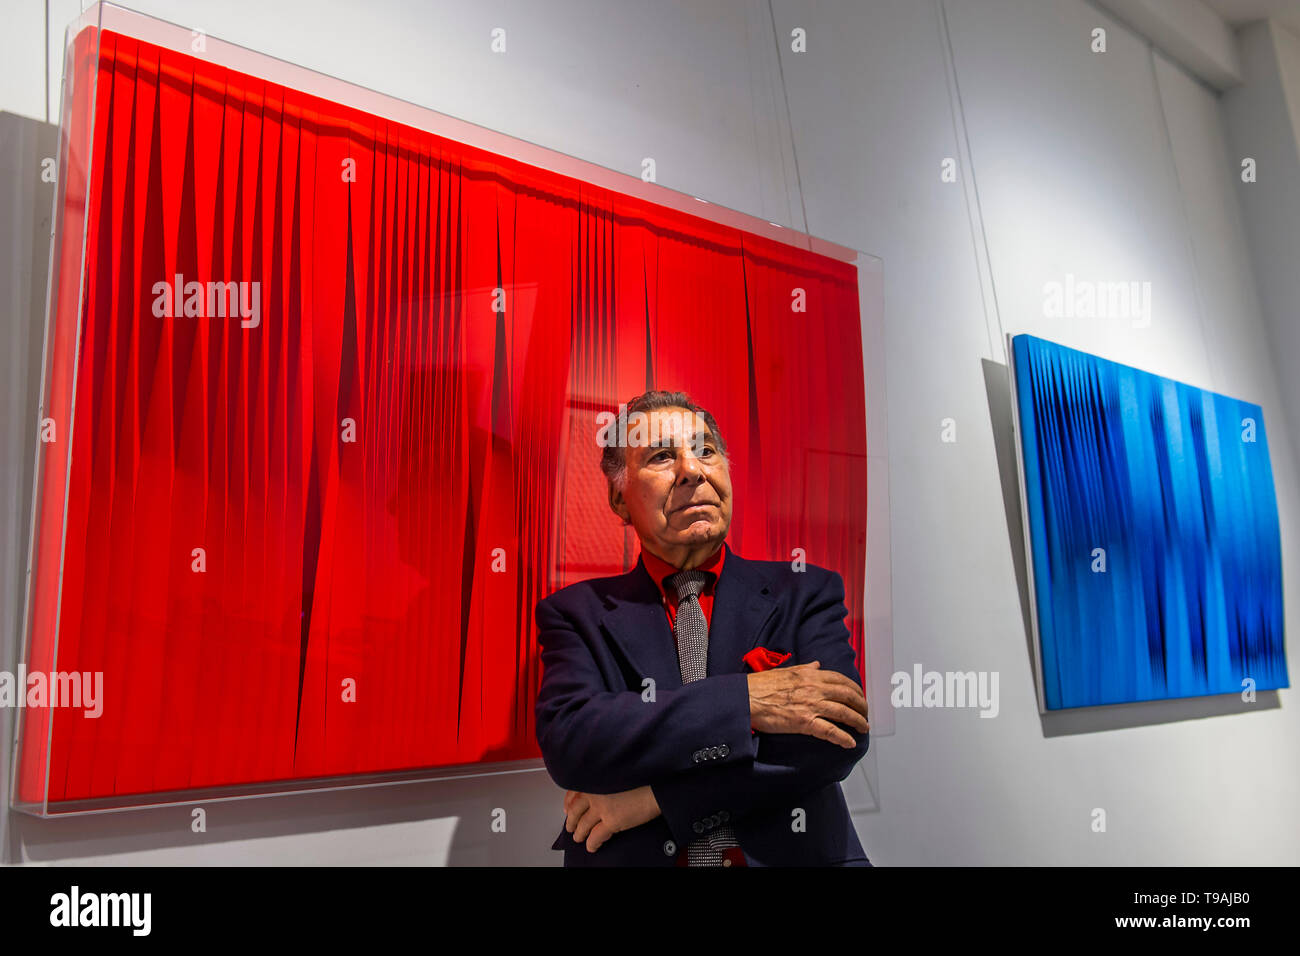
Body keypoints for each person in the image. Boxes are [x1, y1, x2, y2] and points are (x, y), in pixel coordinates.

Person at [534, 389, 871, 866]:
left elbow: (839, 737)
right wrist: (749, 701)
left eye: (706, 450)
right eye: (662, 456)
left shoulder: (804, 591)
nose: (693, 469)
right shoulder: (576, 613)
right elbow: (576, 743)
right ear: (619, 499)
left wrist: (658, 799)